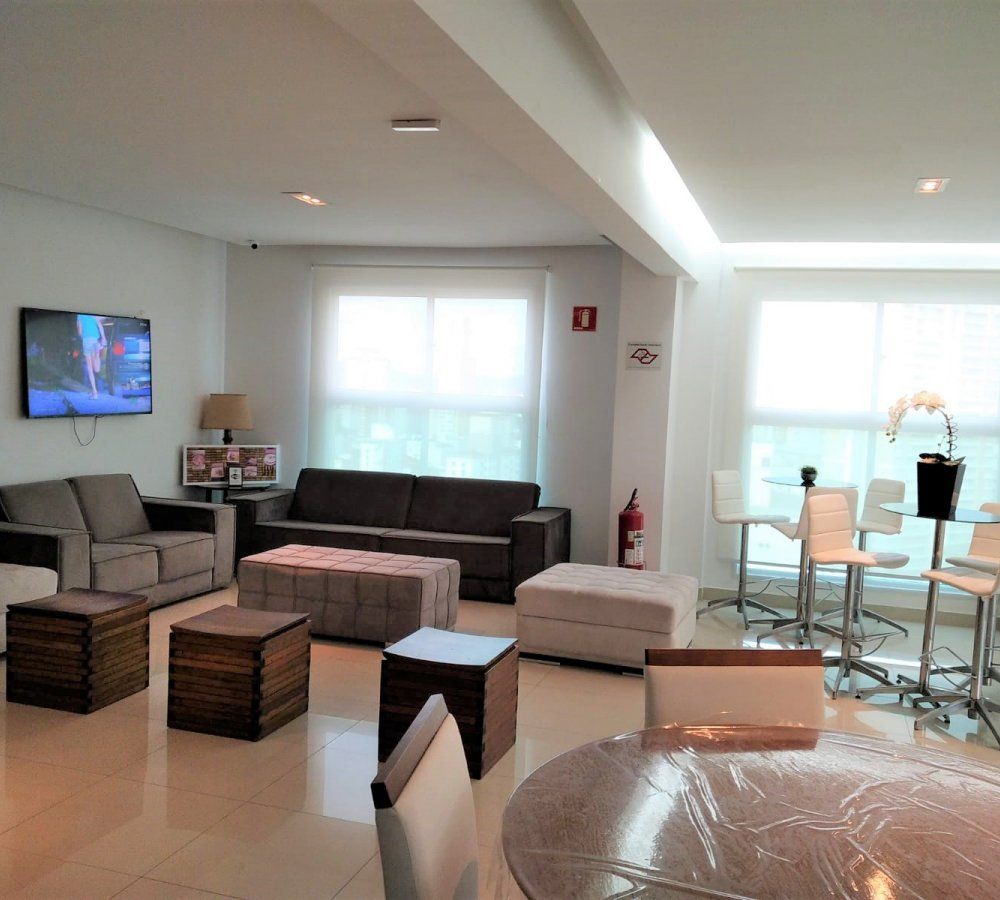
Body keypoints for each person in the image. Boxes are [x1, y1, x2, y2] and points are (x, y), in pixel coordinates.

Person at [77, 314, 107, 399]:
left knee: (90, 369)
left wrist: (81, 335)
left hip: (86, 340)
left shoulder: (80, 315)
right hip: (95, 339)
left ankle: (95, 392)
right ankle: (97, 353)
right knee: (97, 369)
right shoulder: (93, 313)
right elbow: (99, 325)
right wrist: (103, 337)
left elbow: (79, 331)